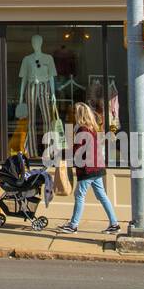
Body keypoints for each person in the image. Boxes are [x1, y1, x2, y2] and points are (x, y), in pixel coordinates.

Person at [58, 101, 120, 235]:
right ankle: (114, 224)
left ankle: (73, 225)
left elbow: (77, 151)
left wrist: (59, 153)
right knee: (102, 195)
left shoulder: (82, 129)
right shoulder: (91, 128)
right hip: (97, 167)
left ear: (79, 115)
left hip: (88, 169)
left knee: (79, 195)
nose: (72, 115)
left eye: (74, 113)